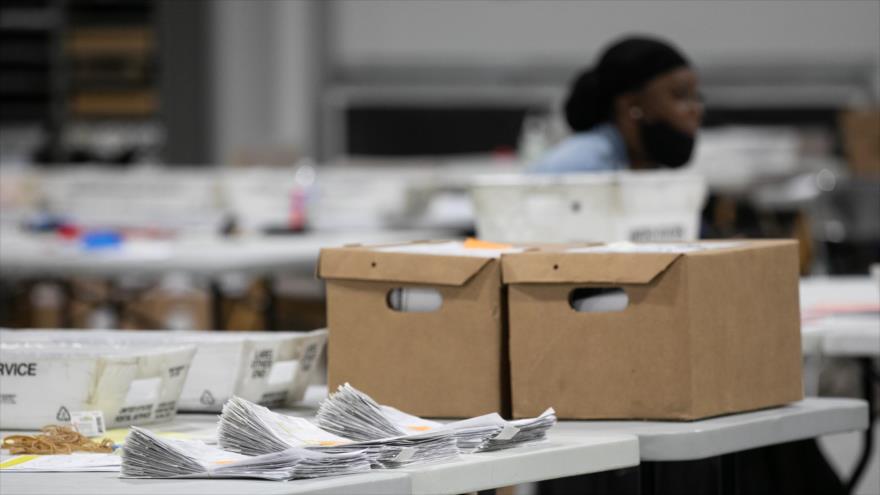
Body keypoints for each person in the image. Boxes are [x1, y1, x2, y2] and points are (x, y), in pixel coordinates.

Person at [529, 36, 704, 173]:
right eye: (681, 96)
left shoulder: (637, 162)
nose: (696, 109)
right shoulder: (583, 165)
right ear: (630, 107)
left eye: (696, 97)